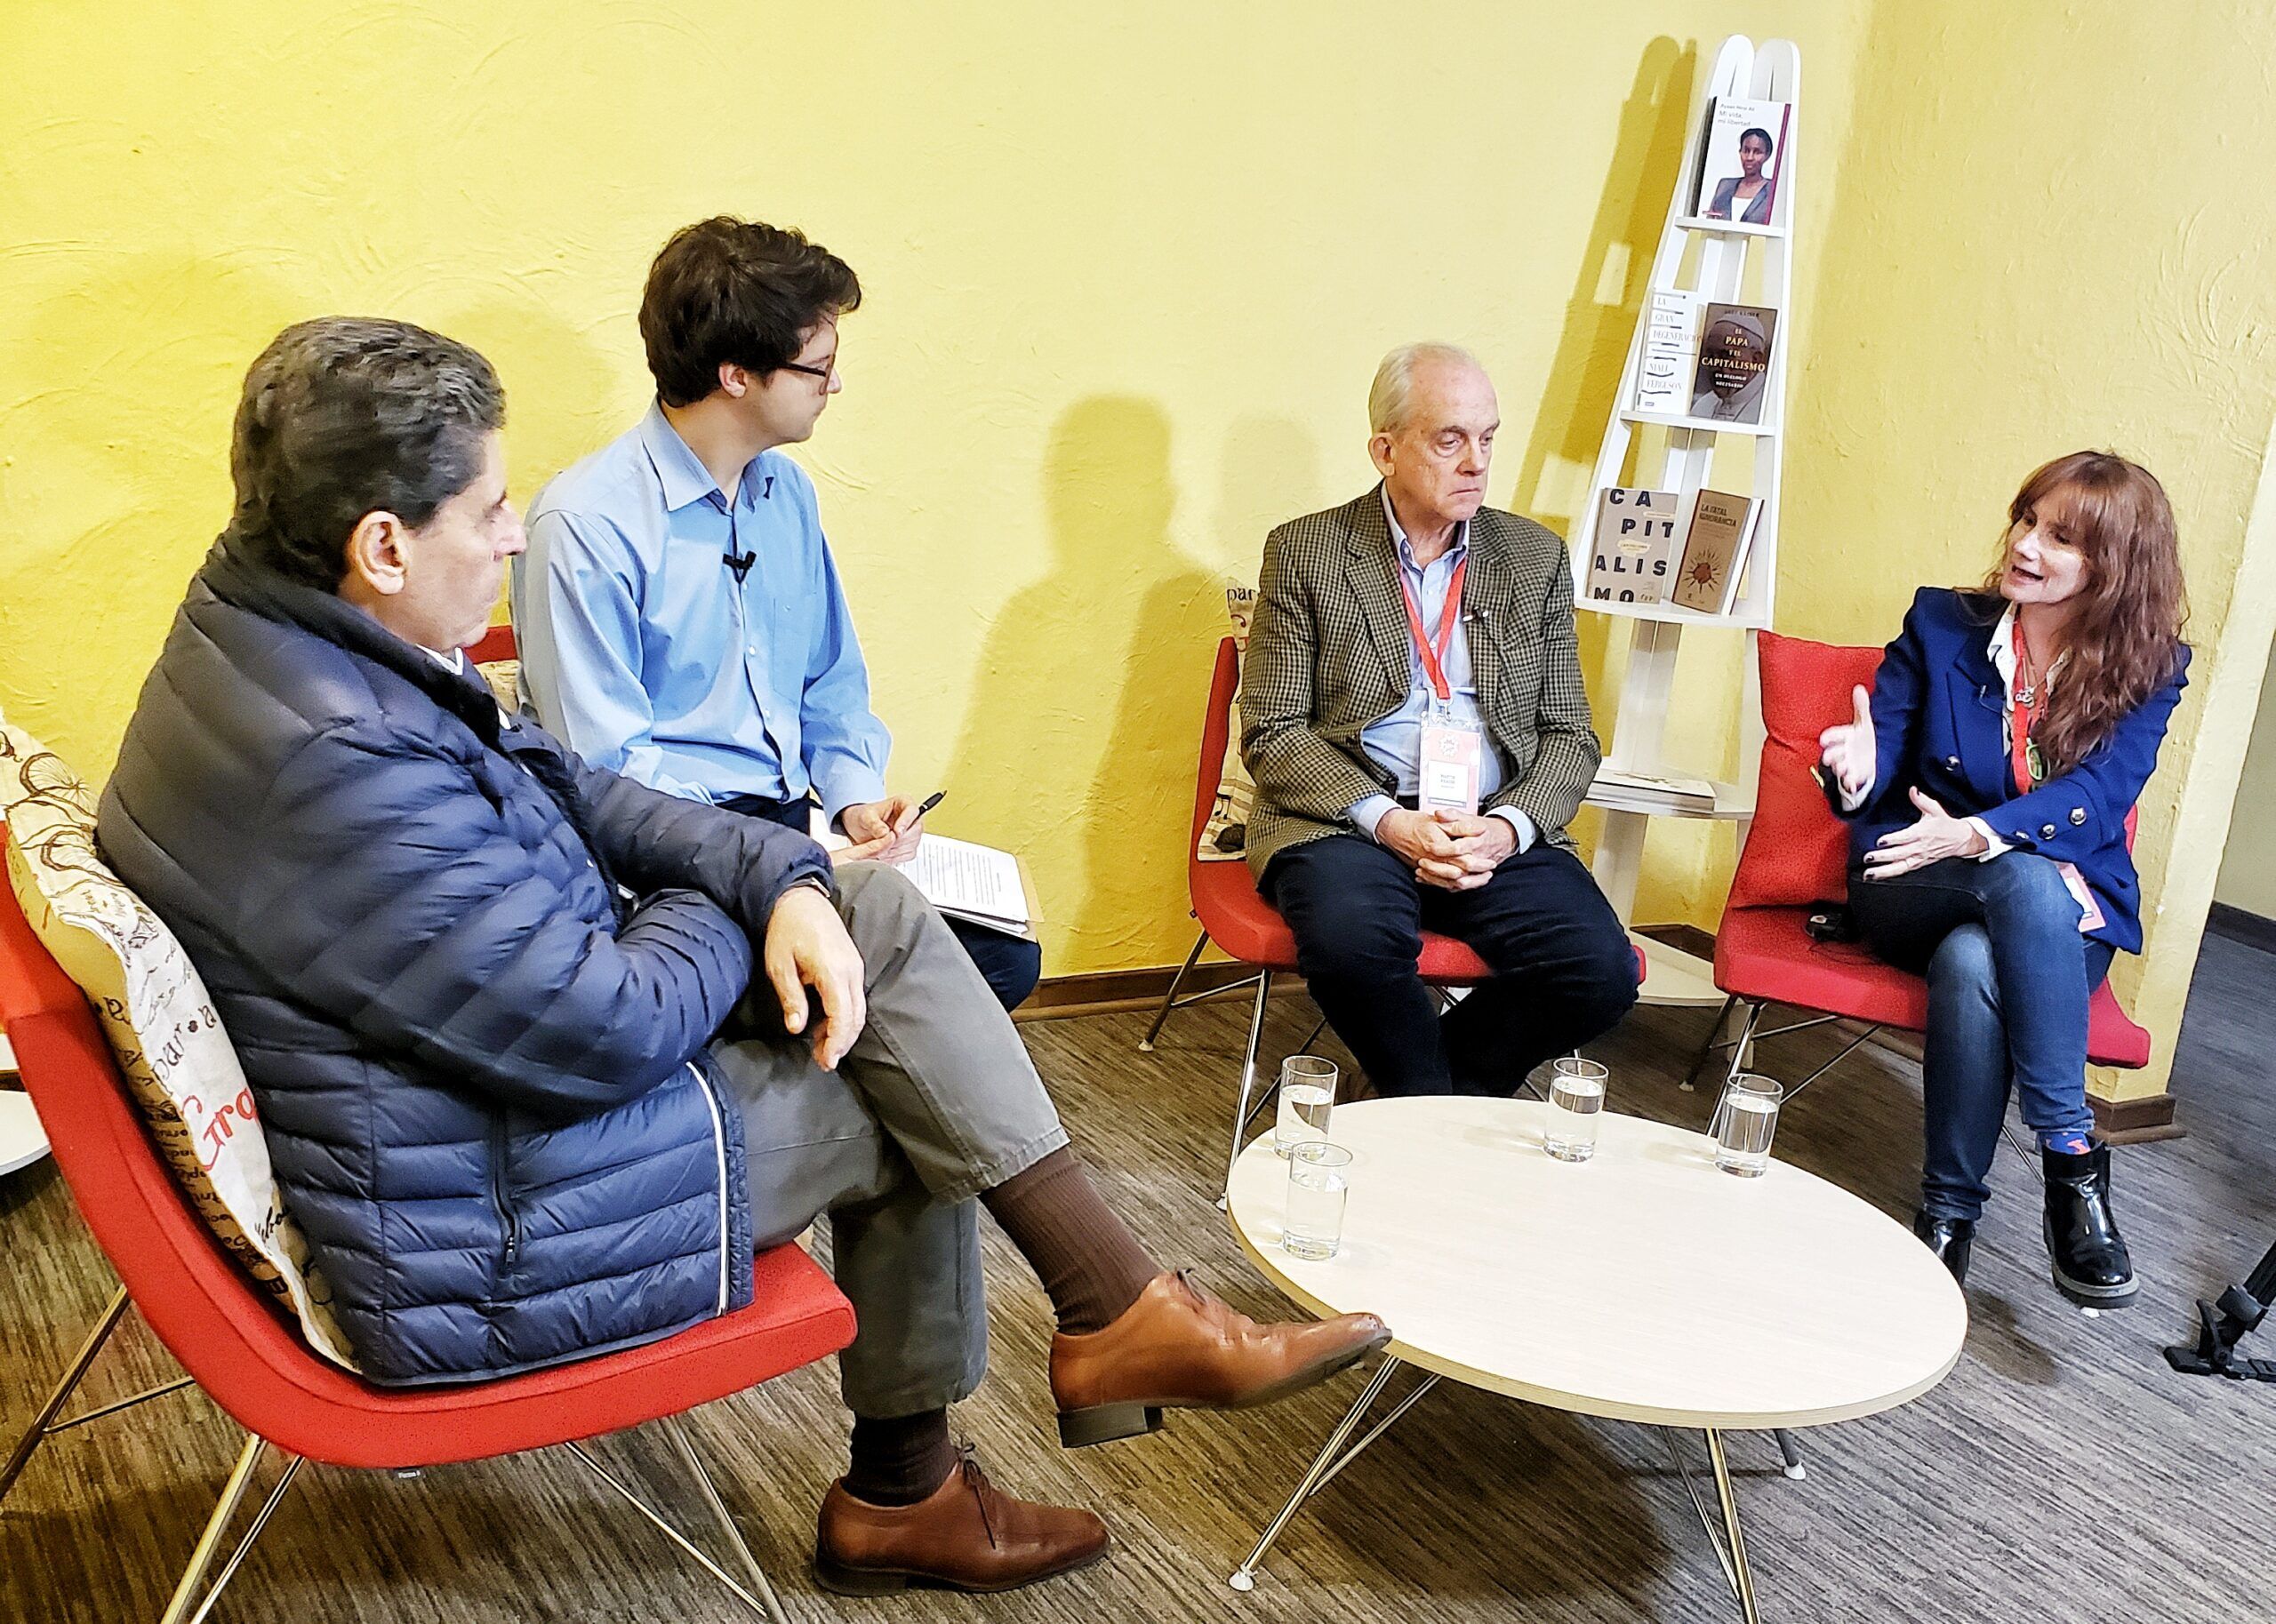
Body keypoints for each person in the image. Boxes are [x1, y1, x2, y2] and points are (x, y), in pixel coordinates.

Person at [96, 318, 1389, 1596]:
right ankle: (936, 1467)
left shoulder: (272, 638)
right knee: (911, 1088)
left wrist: (775, 872)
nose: (512, 534)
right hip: (475, 1227)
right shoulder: (341, 757)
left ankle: (1107, 1326)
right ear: (383, 543)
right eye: (488, 510)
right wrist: (743, 900)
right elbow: (603, 1027)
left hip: (453, 1120)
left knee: (872, 934)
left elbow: (573, 784)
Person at [513, 218, 1041, 1012]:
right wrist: (776, 861)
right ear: (736, 376)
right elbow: (606, 771)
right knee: (873, 976)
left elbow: (829, 683)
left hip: (794, 826)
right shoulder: (584, 524)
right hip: (671, 855)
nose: (836, 385)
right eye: (818, 368)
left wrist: (856, 801)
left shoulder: (786, 494)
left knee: (1003, 959)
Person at [1818, 450, 2190, 1306]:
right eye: (2028, 520)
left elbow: (2097, 800)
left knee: (1974, 958)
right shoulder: (1941, 623)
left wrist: (1981, 832)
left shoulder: (2151, 667)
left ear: (2115, 567)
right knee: (2022, 881)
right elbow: (1881, 757)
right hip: (1914, 875)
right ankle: (2070, 1156)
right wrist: (1859, 771)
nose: (2025, 544)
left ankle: (1946, 1219)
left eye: (2060, 537)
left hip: (2062, 919)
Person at [1239, 343, 1639, 1099]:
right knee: (1352, 942)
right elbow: (1274, 730)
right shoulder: (1306, 552)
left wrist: (1508, 829)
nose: (1476, 462)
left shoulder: (1534, 558)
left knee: (1600, 970)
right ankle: (1433, 1116)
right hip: (1352, 821)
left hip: (1489, 822)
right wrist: (1391, 822)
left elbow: (1569, 733)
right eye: (1450, 439)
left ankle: (1423, 1102)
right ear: (1385, 451)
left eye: (1487, 438)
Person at [1703, 126, 1776, 224]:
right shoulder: (1725, 186)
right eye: (1746, 151)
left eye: (1757, 152)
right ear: (1740, 152)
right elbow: (1710, 221)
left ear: (1767, 155)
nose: (1750, 157)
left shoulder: (1773, 190)